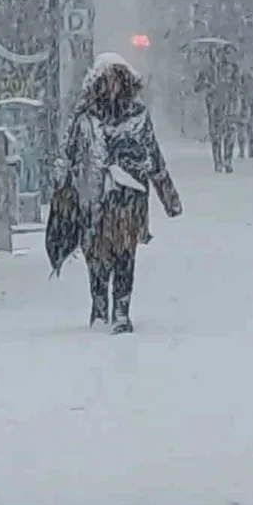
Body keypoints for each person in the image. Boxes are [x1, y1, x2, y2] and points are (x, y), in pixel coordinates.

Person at [58, 52, 182, 333]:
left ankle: (121, 312)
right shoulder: (85, 118)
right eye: (107, 80)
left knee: (125, 255)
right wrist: (64, 195)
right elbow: (69, 157)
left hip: (129, 198)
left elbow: (153, 155)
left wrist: (169, 197)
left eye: (116, 80)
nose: (112, 86)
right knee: (96, 258)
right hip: (94, 200)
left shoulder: (138, 116)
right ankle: (100, 308)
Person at [194, 51, 244, 173]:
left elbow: (240, 86)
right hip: (214, 107)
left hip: (230, 106)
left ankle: (227, 161)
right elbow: (197, 87)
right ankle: (218, 162)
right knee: (216, 136)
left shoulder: (233, 68)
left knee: (230, 133)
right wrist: (208, 87)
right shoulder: (206, 71)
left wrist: (233, 89)